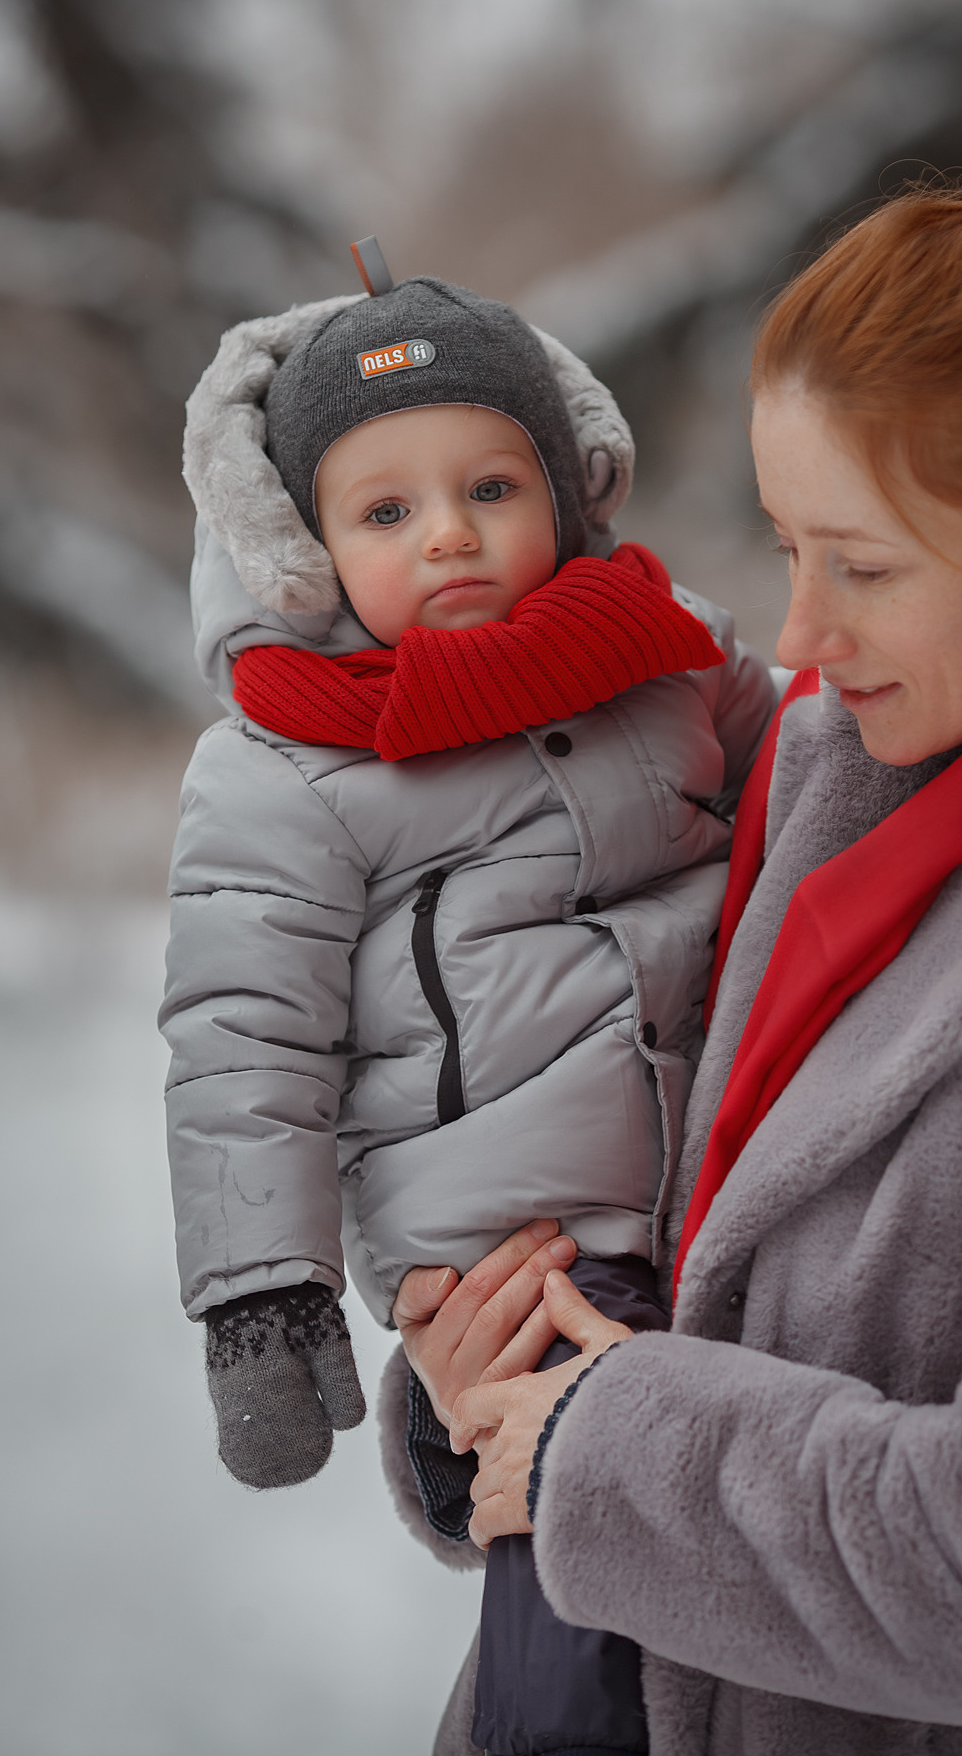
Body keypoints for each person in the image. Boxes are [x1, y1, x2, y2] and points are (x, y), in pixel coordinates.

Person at [391, 152, 962, 1756]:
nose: (803, 635)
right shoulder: (818, 779)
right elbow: (699, 1271)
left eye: (867, 565)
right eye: (787, 545)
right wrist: (485, 1379)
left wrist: (600, 1455)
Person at [159, 267, 775, 1756]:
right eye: (384, 512)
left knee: (731, 1585)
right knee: (579, 1605)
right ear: (305, 548)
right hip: (523, 1253)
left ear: (565, 487)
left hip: (725, 1186)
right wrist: (262, 1294)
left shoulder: (664, 648)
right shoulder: (287, 767)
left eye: (490, 485)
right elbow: (243, 1038)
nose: (447, 532)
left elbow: (809, 775)